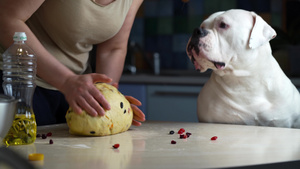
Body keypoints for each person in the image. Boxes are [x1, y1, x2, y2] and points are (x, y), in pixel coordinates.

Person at [0, 0, 145, 126]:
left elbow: (113, 49)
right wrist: (66, 81)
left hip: (74, 89)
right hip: (20, 82)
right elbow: (7, 19)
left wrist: (106, 98)